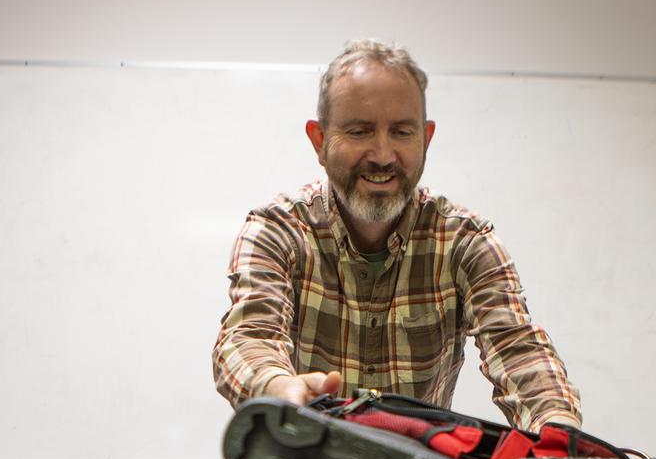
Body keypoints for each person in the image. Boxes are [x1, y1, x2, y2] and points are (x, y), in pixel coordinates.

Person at [212, 39, 582, 433]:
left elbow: (517, 348)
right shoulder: (277, 231)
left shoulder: (465, 242)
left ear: (426, 138)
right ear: (319, 141)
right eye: (360, 131)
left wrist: (559, 430)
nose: (383, 155)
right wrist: (279, 387)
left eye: (402, 132)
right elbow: (248, 336)